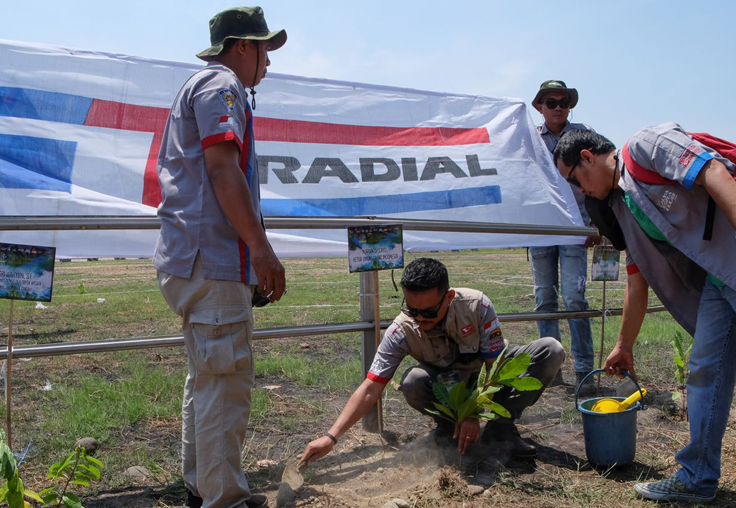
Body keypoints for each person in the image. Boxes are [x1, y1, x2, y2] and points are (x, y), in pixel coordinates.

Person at [553, 125, 736, 506]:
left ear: (587, 156)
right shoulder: (622, 207)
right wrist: (623, 345)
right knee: (705, 370)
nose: (580, 192)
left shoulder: (645, 145)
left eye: (575, 180)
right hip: (726, 278)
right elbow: (637, 282)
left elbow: (713, 171)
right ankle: (697, 477)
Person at [152, 6, 286, 508]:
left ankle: (201, 487)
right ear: (244, 46)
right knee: (225, 384)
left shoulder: (202, 86)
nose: (268, 65)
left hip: (191, 259)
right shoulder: (221, 86)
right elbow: (223, 170)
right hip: (213, 261)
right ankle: (223, 500)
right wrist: (261, 250)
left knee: (207, 379)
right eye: (266, 51)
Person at [300, 258, 565, 466]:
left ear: (448, 297)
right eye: (411, 310)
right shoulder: (400, 330)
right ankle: (449, 432)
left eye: (428, 312)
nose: (419, 319)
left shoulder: (477, 305)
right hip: (448, 388)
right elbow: (371, 387)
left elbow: (494, 366)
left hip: (488, 381)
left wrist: (473, 412)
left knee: (550, 350)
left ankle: (500, 430)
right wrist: (331, 437)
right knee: (413, 382)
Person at [529, 80, 597, 384]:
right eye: (551, 102)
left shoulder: (585, 134)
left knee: (574, 298)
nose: (558, 107)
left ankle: (584, 367)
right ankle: (549, 367)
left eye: (563, 102)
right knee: (544, 297)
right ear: (540, 107)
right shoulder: (527, 136)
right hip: (540, 229)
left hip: (575, 227)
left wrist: (597, 225)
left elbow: (602, 172)